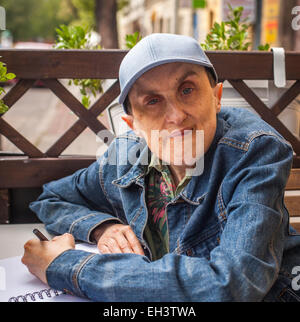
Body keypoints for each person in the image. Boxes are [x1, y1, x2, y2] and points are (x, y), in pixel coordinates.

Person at [22, 33, 300, 302]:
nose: (176, 116)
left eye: (187, 90)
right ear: (133, 125)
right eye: (152, 101)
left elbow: (232, 284)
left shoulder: (254, 151)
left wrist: (66, 266)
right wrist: (102, 227)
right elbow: (52, 199)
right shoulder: (125, 156)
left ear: (216, 97)